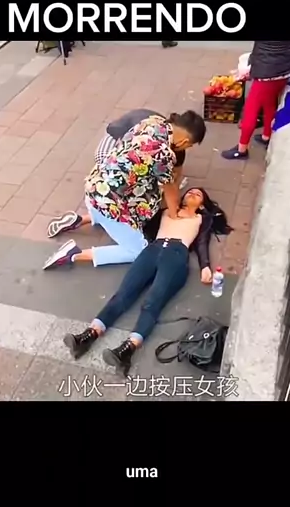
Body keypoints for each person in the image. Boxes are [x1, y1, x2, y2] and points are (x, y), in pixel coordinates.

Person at [63, 187, 232, 376]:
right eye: (189, 192)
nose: (192, 194)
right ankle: (88, 335)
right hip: (151, 250)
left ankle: (127, 349)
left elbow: (202, 242)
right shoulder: (167, 210)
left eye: (197, 194)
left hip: (176, 255)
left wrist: (205, 266)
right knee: (123, 294)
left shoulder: (201, 218)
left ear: (201, 204)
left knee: (152, 301)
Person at [43, 111, 207, 270]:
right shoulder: (163, 154)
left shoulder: (153, 122)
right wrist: (174, 215)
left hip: (97, 185)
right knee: (138, 251)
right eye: (190, 145)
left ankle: (79, 220)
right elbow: (170, 191)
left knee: (146, 201)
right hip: (107, 202)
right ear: (184, 141)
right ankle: (74, 254)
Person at [47, 109, 187, 239]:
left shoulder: (156, 125)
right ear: (184, 141)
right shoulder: (163, 151)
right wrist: (173, 210)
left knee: (133, 186)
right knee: (115, 175)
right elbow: (169, 183)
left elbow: (173, 177)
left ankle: (84, 218)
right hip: (113, 141)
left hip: (106, 176)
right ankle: (76, 250)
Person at [222, 41, 290, 160]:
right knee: (270, 101)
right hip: (286, 69)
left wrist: (251, 68)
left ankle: (241, 150)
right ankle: (266, 136)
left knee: (250, 110)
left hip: (266, 71)